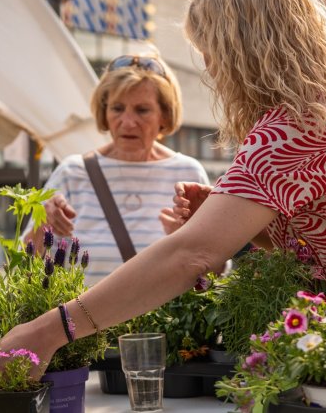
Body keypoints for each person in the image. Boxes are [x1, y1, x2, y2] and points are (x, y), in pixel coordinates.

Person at [0, 0, 326, 376]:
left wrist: (46, 332)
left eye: (210, 48)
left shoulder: (297, 127)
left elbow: (190, 256)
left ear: (242, 47)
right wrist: (244, 222)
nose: (209, 66)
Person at [25, 50, 210, 285]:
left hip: (167, 321)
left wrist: (186, 241)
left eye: (142, 110)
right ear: (104, 112)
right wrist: (44, 224)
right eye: (117, 108)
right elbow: (25, 263)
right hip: (81, 321)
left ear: (164, 115)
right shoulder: (71, 172)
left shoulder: (188, 173)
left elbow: (216, 270)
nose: (128, 122)